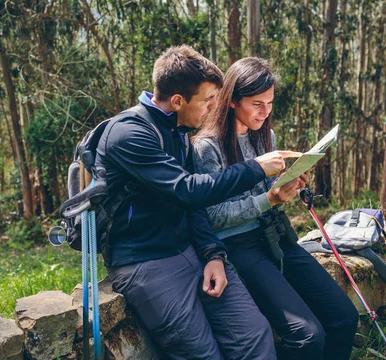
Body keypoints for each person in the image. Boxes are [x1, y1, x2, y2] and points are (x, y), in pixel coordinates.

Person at [94, 46, 291, 359]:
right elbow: (188, 191)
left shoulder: (178, 132)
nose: (215, 107)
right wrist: (255, 169)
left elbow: (191, 207)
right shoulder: (129, 134)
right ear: (177, 101)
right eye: (208, 100)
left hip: (190, 250)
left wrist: (213, 253)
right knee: (203, 354)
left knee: (255, 335)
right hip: (145, 262)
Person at [192, 57, 360, 360]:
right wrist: (268, 199)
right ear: (231, 101)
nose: (265, 111)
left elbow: (266, 193)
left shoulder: (265, 137)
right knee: (308, 337)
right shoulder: (207, 147)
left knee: (345, 317)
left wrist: (288, 185)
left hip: (276, 236)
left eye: (269, 103)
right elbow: (212, 217)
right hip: (239, 246)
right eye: (257, 103)